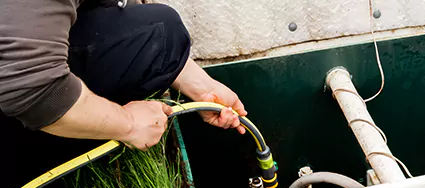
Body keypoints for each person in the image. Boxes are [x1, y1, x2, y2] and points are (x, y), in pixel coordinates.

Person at [0, 0, 246, 151]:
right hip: (14, 89)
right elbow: (31, 87)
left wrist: (202, 88)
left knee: (160, 32)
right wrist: (128, 124)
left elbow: (114, 11)